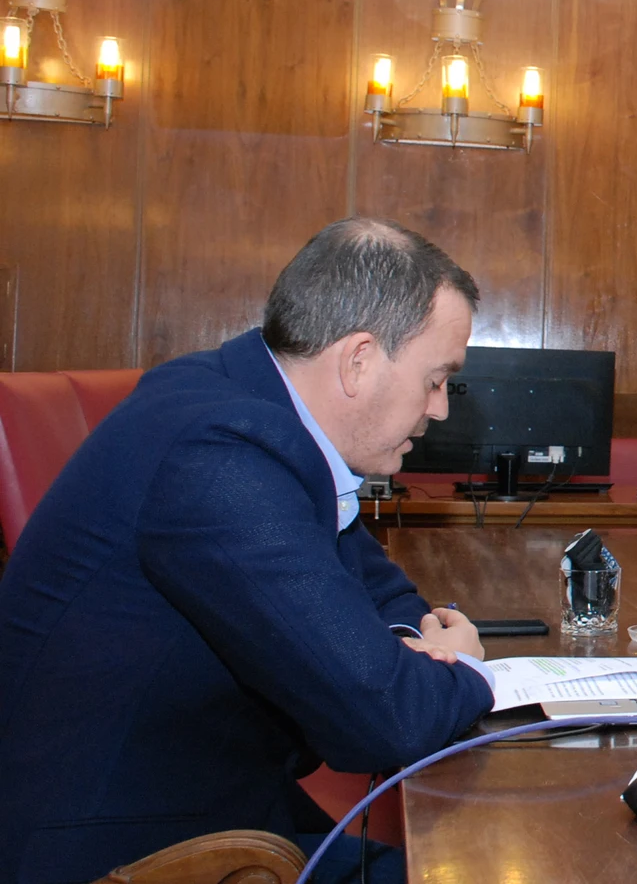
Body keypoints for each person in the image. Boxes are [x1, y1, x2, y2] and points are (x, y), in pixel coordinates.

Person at [0, 218, 496, 884]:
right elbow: (387, 720)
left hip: (208, 791)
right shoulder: (220, 453)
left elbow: (377, 586)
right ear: (358, 360)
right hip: (120, 844)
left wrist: (414, 640)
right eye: (436, 378)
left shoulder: (247, 408)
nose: (438, 409)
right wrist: (463, 668)